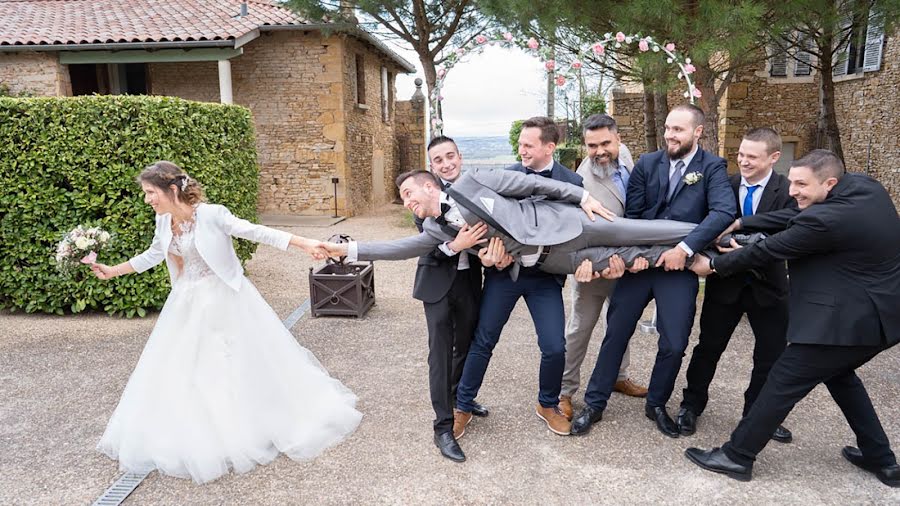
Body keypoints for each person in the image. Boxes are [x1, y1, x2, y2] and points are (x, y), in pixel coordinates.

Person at [90, 161, 361, 484]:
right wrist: (113, 270)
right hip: (186, 302)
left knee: (237, 361)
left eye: (151, 193)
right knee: (186, 367)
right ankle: (198, 432)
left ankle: (248, 427)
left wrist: (304, 244)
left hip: (226, 299)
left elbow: (256, 231)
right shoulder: (163, 221)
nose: (147, 199)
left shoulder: (212, 214)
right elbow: (153, 254)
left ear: (172, 190)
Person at [685, 150, 900, 487]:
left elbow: (770, 249)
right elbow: (793, 217)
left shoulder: (824, 221)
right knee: (842, 377)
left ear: (829, 183)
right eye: (793, 180)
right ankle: (882, 459)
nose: (792, 190)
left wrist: (712, 265)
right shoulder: (865, 187)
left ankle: (738, 455)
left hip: (843, 322)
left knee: (781, 384)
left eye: (802, 184)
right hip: (883, 319)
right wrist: (743, 222)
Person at [571, 104, 736, 438]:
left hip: (679, 267)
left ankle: (657, 404)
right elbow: (632, 219)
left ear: (697, 132)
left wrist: (685, 250)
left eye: (678, 129)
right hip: (641, 265)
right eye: (668, 129)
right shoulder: (647, 164)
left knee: (675, 342)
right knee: (616, 332)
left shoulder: (713, 167)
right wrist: (638, 255)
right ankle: (595, 403)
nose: (670, 135)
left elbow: (722, 212)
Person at [677, 128, 796, 442]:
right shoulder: (724, 185)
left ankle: (757, 416)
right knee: (708, 349)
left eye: (752, 157)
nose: (743, 161)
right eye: (741, 155)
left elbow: (791, 226)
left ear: (773, 157)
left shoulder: (788, 190)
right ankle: (691, 405)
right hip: (724, 283)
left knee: (769, 357)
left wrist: (749, 241)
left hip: (769, 287)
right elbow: (707, 227)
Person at [559, 114, 648, 423]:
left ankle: (619, 376)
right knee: (580, 329)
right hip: (595, 269)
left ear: (618, 139)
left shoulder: (626, 158)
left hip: (628, 268)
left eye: (605, 143)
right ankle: (565, 391)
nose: (599, 151)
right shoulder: (583, 180)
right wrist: (591, 267)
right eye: (591, 146)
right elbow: (578, 233)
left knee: (622, 325)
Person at [414, 135, 489, 463]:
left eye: (450, 157)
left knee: (467, 344)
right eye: (439, 161)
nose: (446, 164)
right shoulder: (424, 198)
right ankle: (443, 427)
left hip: (470, 280)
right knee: (440, 353)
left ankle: (461, 399)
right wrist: (455, 245)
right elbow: (427, 247)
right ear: (432, 168)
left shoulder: (477, 192)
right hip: (437, 283)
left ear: (460, 157)